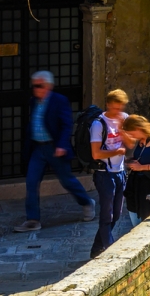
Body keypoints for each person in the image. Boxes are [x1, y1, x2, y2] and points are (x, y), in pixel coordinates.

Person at [15, 70, 94, 233]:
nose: (36, 89)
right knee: (31, 182)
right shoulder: (34, 101)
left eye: (39, 85)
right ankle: (33, 220)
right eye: (34, 85)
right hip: (38, 148)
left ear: (48, 86)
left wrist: (62, 145)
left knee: (67, 180)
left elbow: (66, 124)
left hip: (54, 148)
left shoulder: (59, 101)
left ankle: (87, 202)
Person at [89, 90, 130, 258]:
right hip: (104, 173)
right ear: (108, 105)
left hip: (120, 172)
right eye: (114, 109)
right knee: (107, 214)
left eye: (120, 109)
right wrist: (115, 151)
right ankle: (109, 251)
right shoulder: (98, 124)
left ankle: (96, 249)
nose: (117, 112)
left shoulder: (124, 118)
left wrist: (122, 129)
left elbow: (131, 143)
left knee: (117, 214)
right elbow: (96, 154)